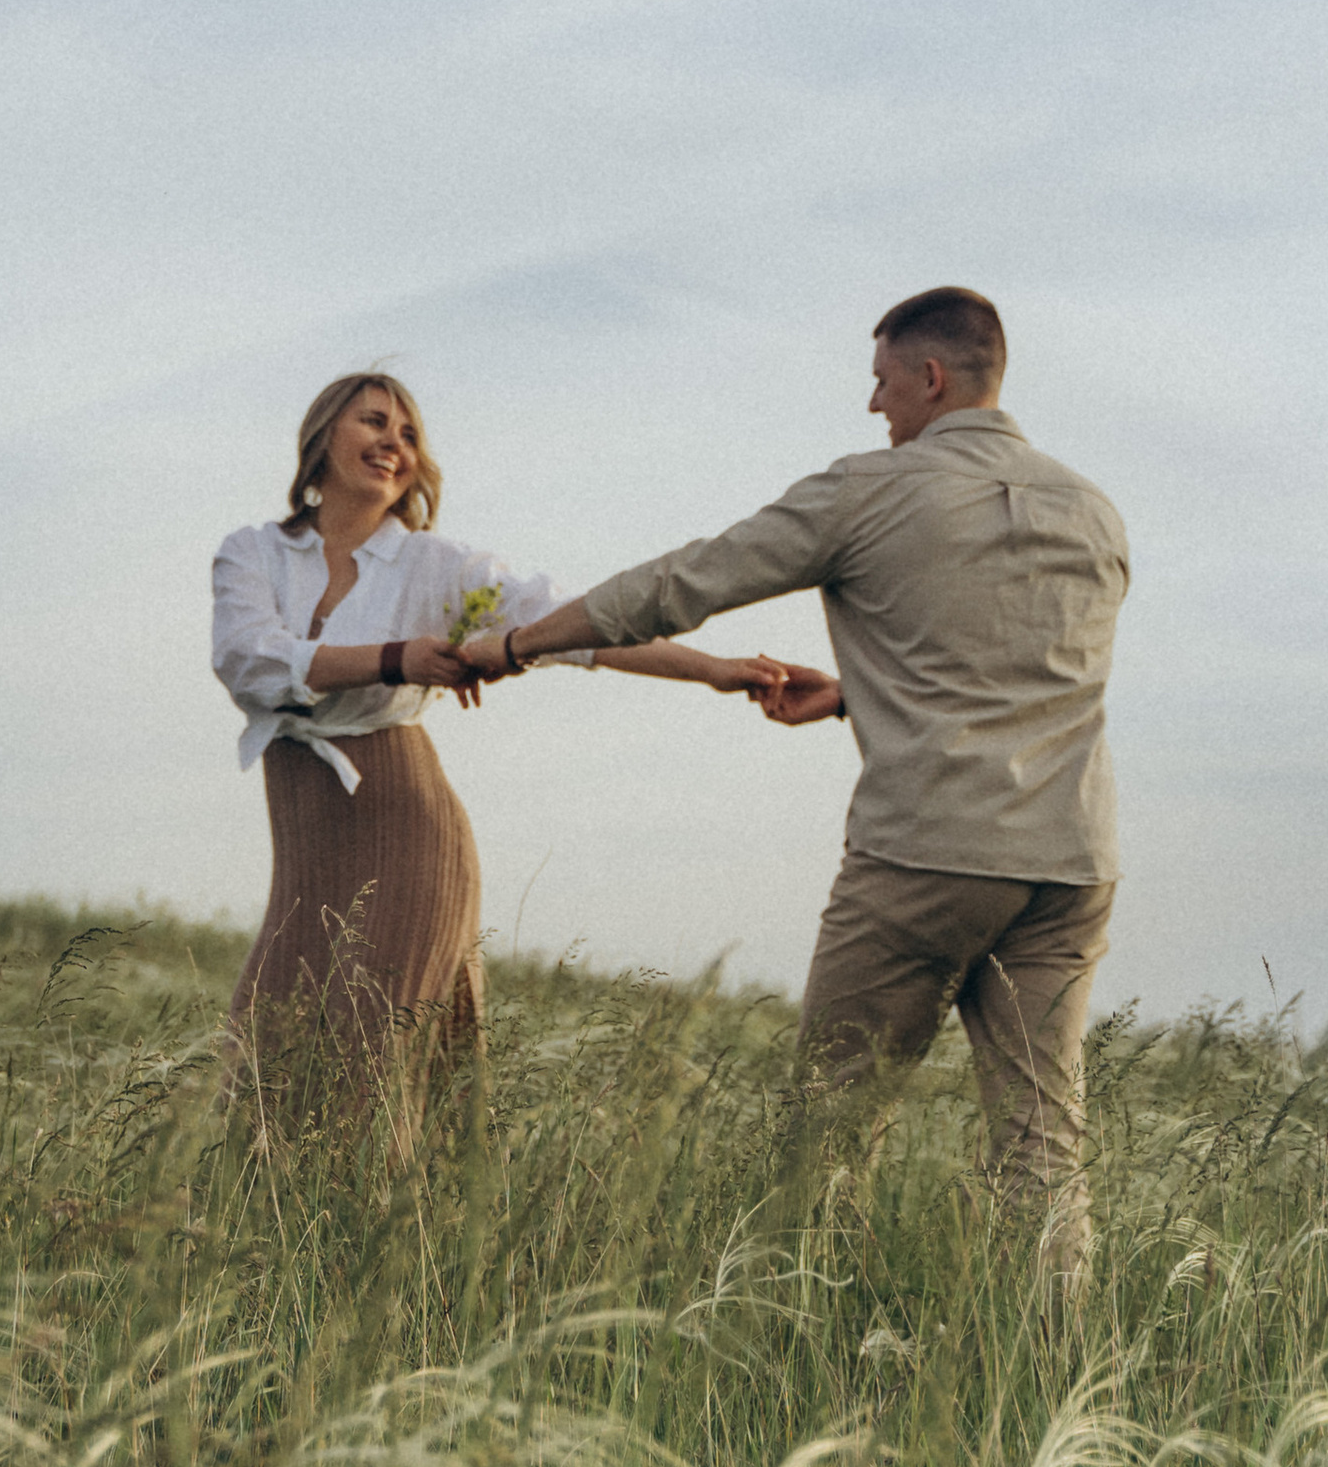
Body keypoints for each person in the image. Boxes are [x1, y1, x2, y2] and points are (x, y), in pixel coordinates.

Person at [461, 291, 1129, 1275]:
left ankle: (802, 1331)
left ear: (930, 378)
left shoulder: (870, 489)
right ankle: (1053, 1374)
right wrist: (858, 694)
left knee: (829, 1128)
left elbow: (677, 585)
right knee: (1043, 1140)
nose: (875, 407)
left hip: (926, 853)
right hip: (1070, 860)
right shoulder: (1091, 509)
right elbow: (1017, 674)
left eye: (882, 381)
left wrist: (515, 643)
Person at [213, 369, 786, 1134]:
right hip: (307, 829)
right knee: (266, 1049)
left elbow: (572, 627)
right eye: (374, 423)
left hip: (406, 825)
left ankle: (378, 1235)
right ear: (321, 439)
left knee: (368, 1061)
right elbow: (247, 658)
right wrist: (398, 657)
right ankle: (300, 1232)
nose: (393, 444)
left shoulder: (440, 567)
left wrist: (716, 670)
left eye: (409, 434)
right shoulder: (254, 553)